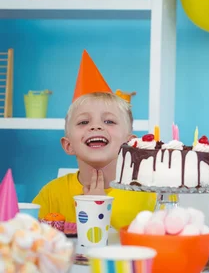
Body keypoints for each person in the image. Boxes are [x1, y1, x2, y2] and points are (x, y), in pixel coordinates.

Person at [34, 51, 155, 233]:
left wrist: (99, 208)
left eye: (109, 121)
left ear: (130, 145)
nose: (96, 126)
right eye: (84, 122)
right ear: (68, 145)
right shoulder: (51, 195)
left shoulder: (143, 193)